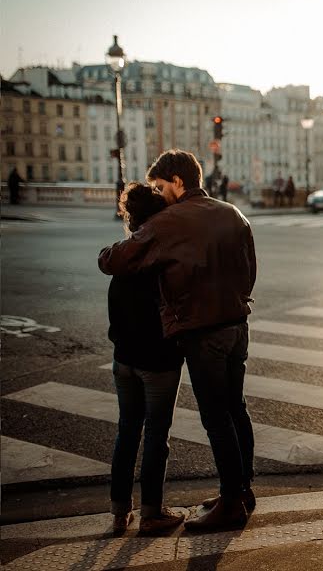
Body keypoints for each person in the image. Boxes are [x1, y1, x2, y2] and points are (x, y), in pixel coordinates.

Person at [99, 149, 257, 532]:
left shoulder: (171, 221)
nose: (158, 192)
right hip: (238, 325)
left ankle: (231, 504)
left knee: (215, 418)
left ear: (179, 181)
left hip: (203, 332)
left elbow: (114, 260)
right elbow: (249, 270)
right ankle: (240, 490)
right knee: (236, 409)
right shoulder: (232, 213)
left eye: (160, 185)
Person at [108, 183, 186, 536]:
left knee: (127, 432)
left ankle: (119, 511)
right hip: (158, 362)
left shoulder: (121, 261)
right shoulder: (162, 262)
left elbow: (115, 318)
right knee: (156, 435)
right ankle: (152, 511)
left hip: (123, 360)